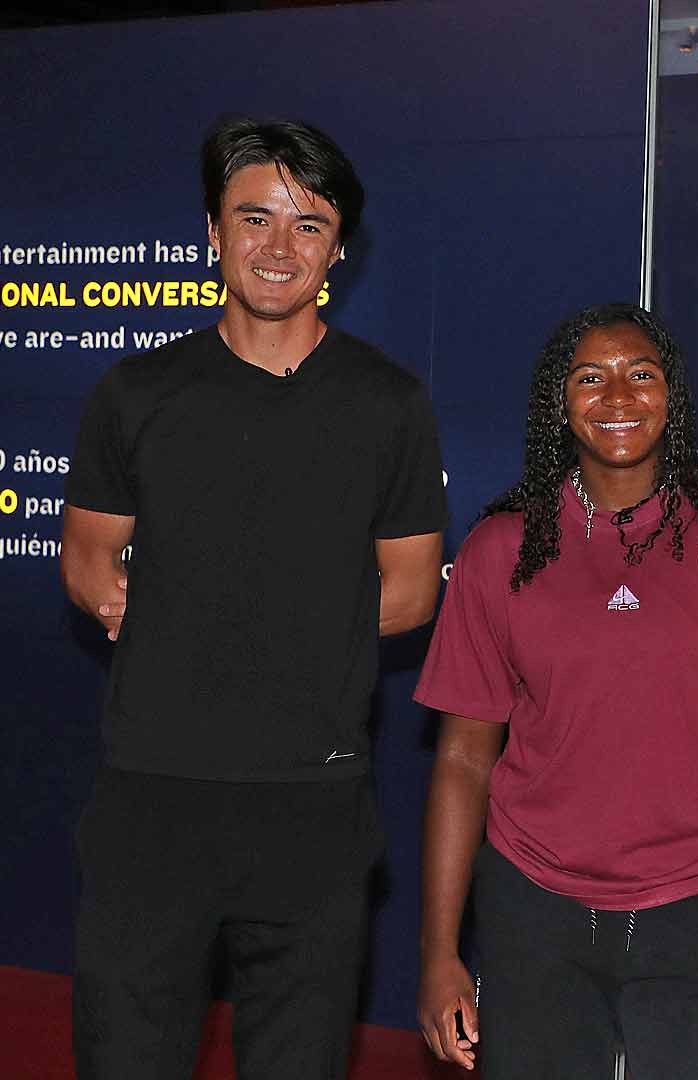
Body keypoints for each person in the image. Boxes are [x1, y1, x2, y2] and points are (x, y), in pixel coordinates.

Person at [61, 117, 447, 1078]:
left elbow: (409, 592)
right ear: (212, 231)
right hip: (151, 798)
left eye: (308, 225)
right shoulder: (134, 392)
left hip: (312, 805)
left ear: (339, 248)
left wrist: (252, 624)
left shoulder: (387, 402)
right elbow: (87, 557)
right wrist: (134, 610)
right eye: (256, 218)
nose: (280, 248)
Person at [412, 303, 698, 1078]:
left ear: (672, 394)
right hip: (533, 914)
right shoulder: (501, 548)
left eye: (641, 374)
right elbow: (463, 762)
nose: (618, 396)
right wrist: (441, 952)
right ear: (559, 401)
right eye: (590, 377)